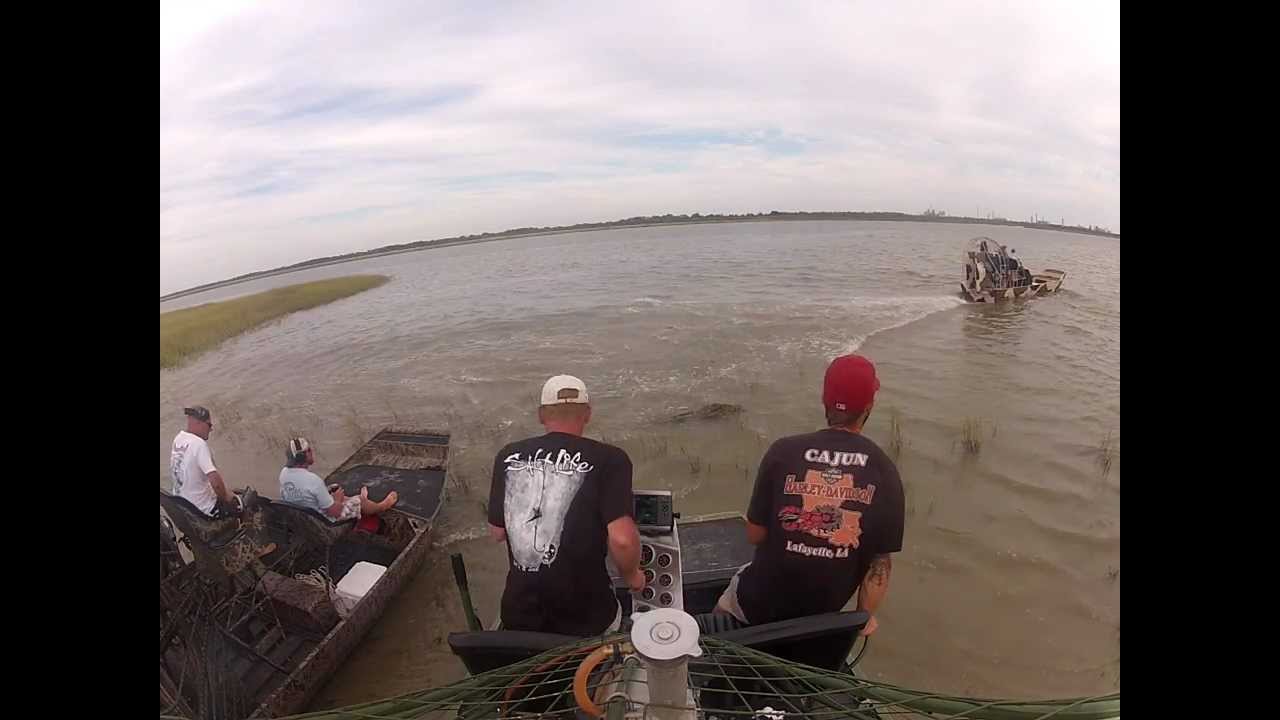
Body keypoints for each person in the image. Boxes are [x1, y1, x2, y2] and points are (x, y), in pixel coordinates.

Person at [716, 354, 905, 636]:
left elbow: (754, 535)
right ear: (869, 406)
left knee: (725, 604)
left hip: (758, 606)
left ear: (824, 400)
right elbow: (880, 563)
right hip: (822, 623)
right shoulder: (884, 470)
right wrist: (863, 617)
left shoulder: (782, 451)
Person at [487, 374, 645, 636]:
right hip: (588, 621)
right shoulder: (611, 459)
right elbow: (623, 541)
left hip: (518, 618)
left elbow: (498, 532)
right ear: (587, 414)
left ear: (541, 415)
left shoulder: (507, 454)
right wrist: (633, 577)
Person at [278, 437, 398, 521]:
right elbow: (335, 513)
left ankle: (358, 500)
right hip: (327, 522)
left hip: (307, 517)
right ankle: (382, 506)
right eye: (309, 450)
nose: (312, 451)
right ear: (303, 456)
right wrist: (338, 499)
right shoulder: (313, 480)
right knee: (359, 501)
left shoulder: (284, 473)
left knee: (333, 489)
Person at [170, 406, 239, 517]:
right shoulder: (199, 444)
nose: (211, 429)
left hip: (183, 509)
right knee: (244, 503)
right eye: (209, 425)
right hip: (203, 511)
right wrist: (227, 498)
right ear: (198, 423)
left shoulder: (178, 439)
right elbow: (216, 483)